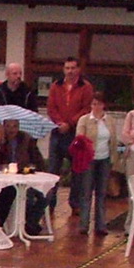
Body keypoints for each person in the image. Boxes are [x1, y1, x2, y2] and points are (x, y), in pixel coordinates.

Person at [46, 56, 93, 199]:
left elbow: (86, 108)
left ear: (78, 69)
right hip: (57, 131)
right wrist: (60, 122)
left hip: (76, 132)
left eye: (73, 68)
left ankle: (75, 204)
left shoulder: (86, 87)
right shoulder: (56, 86)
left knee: (77, 171)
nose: (70, 71)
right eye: (67, 68)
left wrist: (70, 123)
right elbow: (51, 108)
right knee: (53, 170)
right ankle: (49, 203)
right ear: (63, 70)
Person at [73, 93, 113, 235]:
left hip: (104, 159)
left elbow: (113, 141)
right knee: (86, 192)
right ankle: (84, 224)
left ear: (103, 105)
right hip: (89, 159)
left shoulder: (109, 120)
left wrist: (115, 158)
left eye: (99, 104)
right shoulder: (84, 120)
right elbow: (79, 137)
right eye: (94, 104)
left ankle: (101, 225)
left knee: (101, 193)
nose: (96, 107)